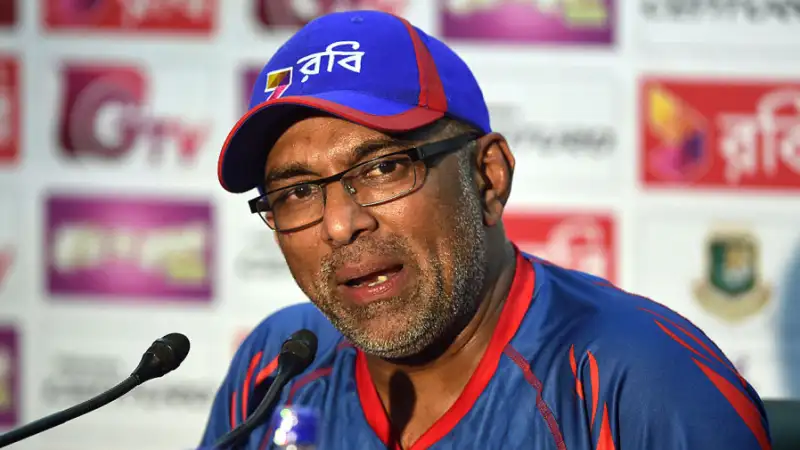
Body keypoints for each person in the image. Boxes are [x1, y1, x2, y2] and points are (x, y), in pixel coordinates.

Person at [200, 10, 771, 450]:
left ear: (488, 178)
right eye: (297, 192)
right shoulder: (276, 365)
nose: (340, 224)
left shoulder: (642, 379)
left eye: (382, 169)